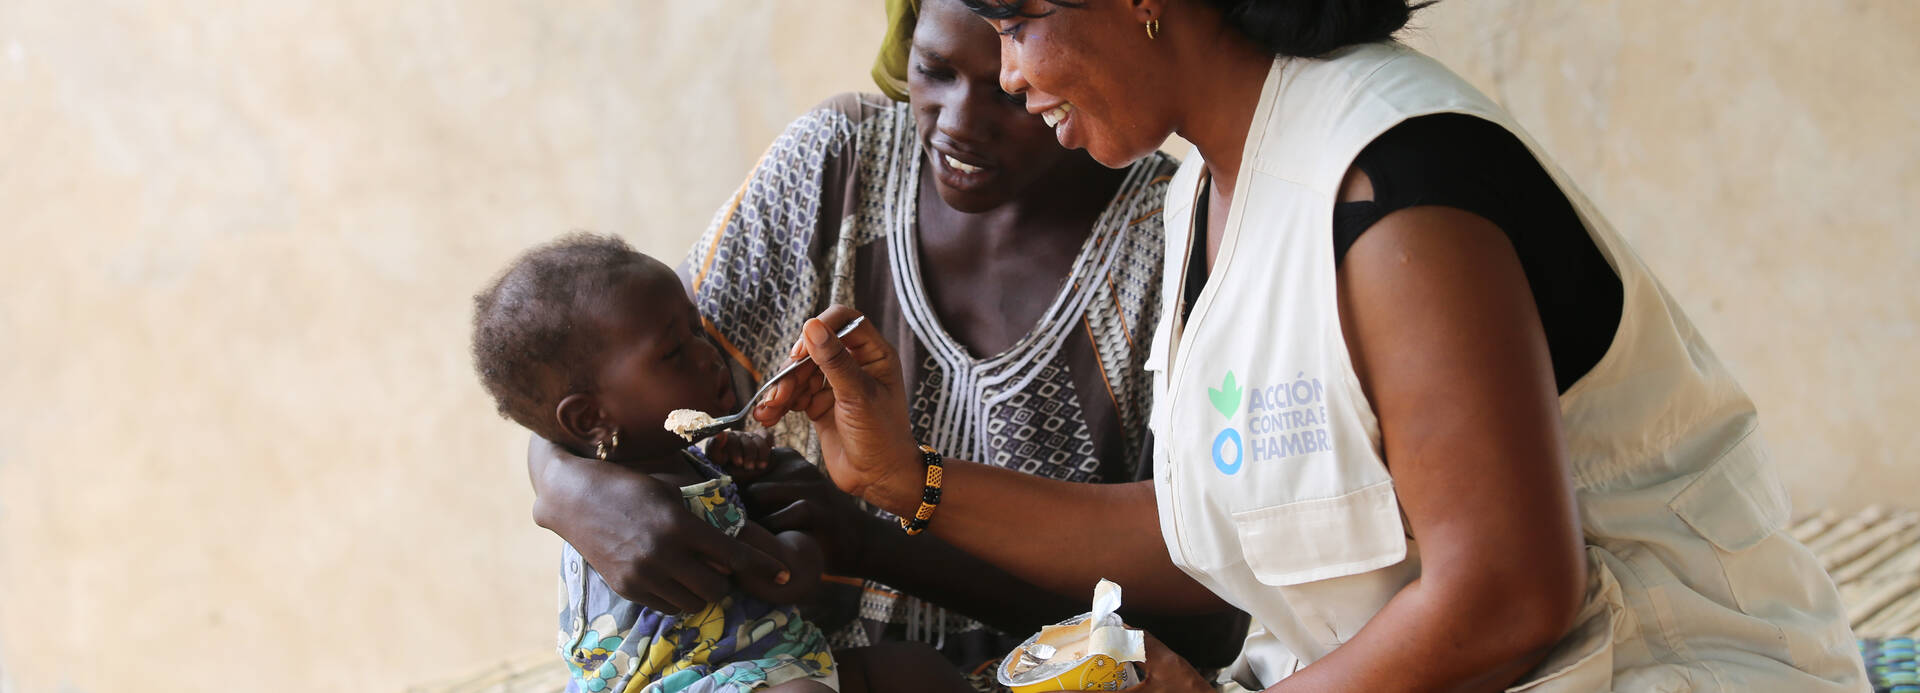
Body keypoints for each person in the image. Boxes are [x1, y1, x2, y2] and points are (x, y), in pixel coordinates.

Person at [750, 0, 1868, 690]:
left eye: (1015, 19)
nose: (1006, 73)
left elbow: (1507, 595)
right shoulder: (1208, 187)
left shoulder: (1391, 190)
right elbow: (1213, 524)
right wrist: (908, 483)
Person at [522, 0, 1246, 680]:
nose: (959, 122)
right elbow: (594, 380)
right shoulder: (836, 166)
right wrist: (570, 490)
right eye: (934, 71)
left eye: (1005, 91)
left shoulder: (1171, 239)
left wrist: (876, 544)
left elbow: (1207, 621)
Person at [470, 233, 976, 693]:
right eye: (674, 351)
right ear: (590, 418)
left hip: (762, 663)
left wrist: (741, 466)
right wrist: (806, 535)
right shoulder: (649, 509)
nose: (707, 353)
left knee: (915, 670)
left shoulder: (670, 461)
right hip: (685, 682)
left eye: (696, 329)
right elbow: (785, 576)